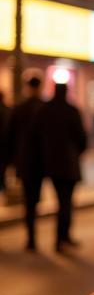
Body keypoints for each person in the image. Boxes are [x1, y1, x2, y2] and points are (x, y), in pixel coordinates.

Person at [38, 81, 88, 252]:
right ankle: (63, 237)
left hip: (52, 164)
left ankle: (60, 238)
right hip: (69, 163)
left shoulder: (45, 110)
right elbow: (82, 138)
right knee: (66, 202)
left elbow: (38, 136)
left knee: (61, 201)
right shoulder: (72, 111)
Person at [4, 73, 46, 250]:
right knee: (34, 198)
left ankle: (31, 237)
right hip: (41, 161)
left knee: (29, 200)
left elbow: (9, 136)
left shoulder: (19, 108)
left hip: (24, 161)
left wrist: (10, 160)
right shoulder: (44, 108)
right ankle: (35, 235)